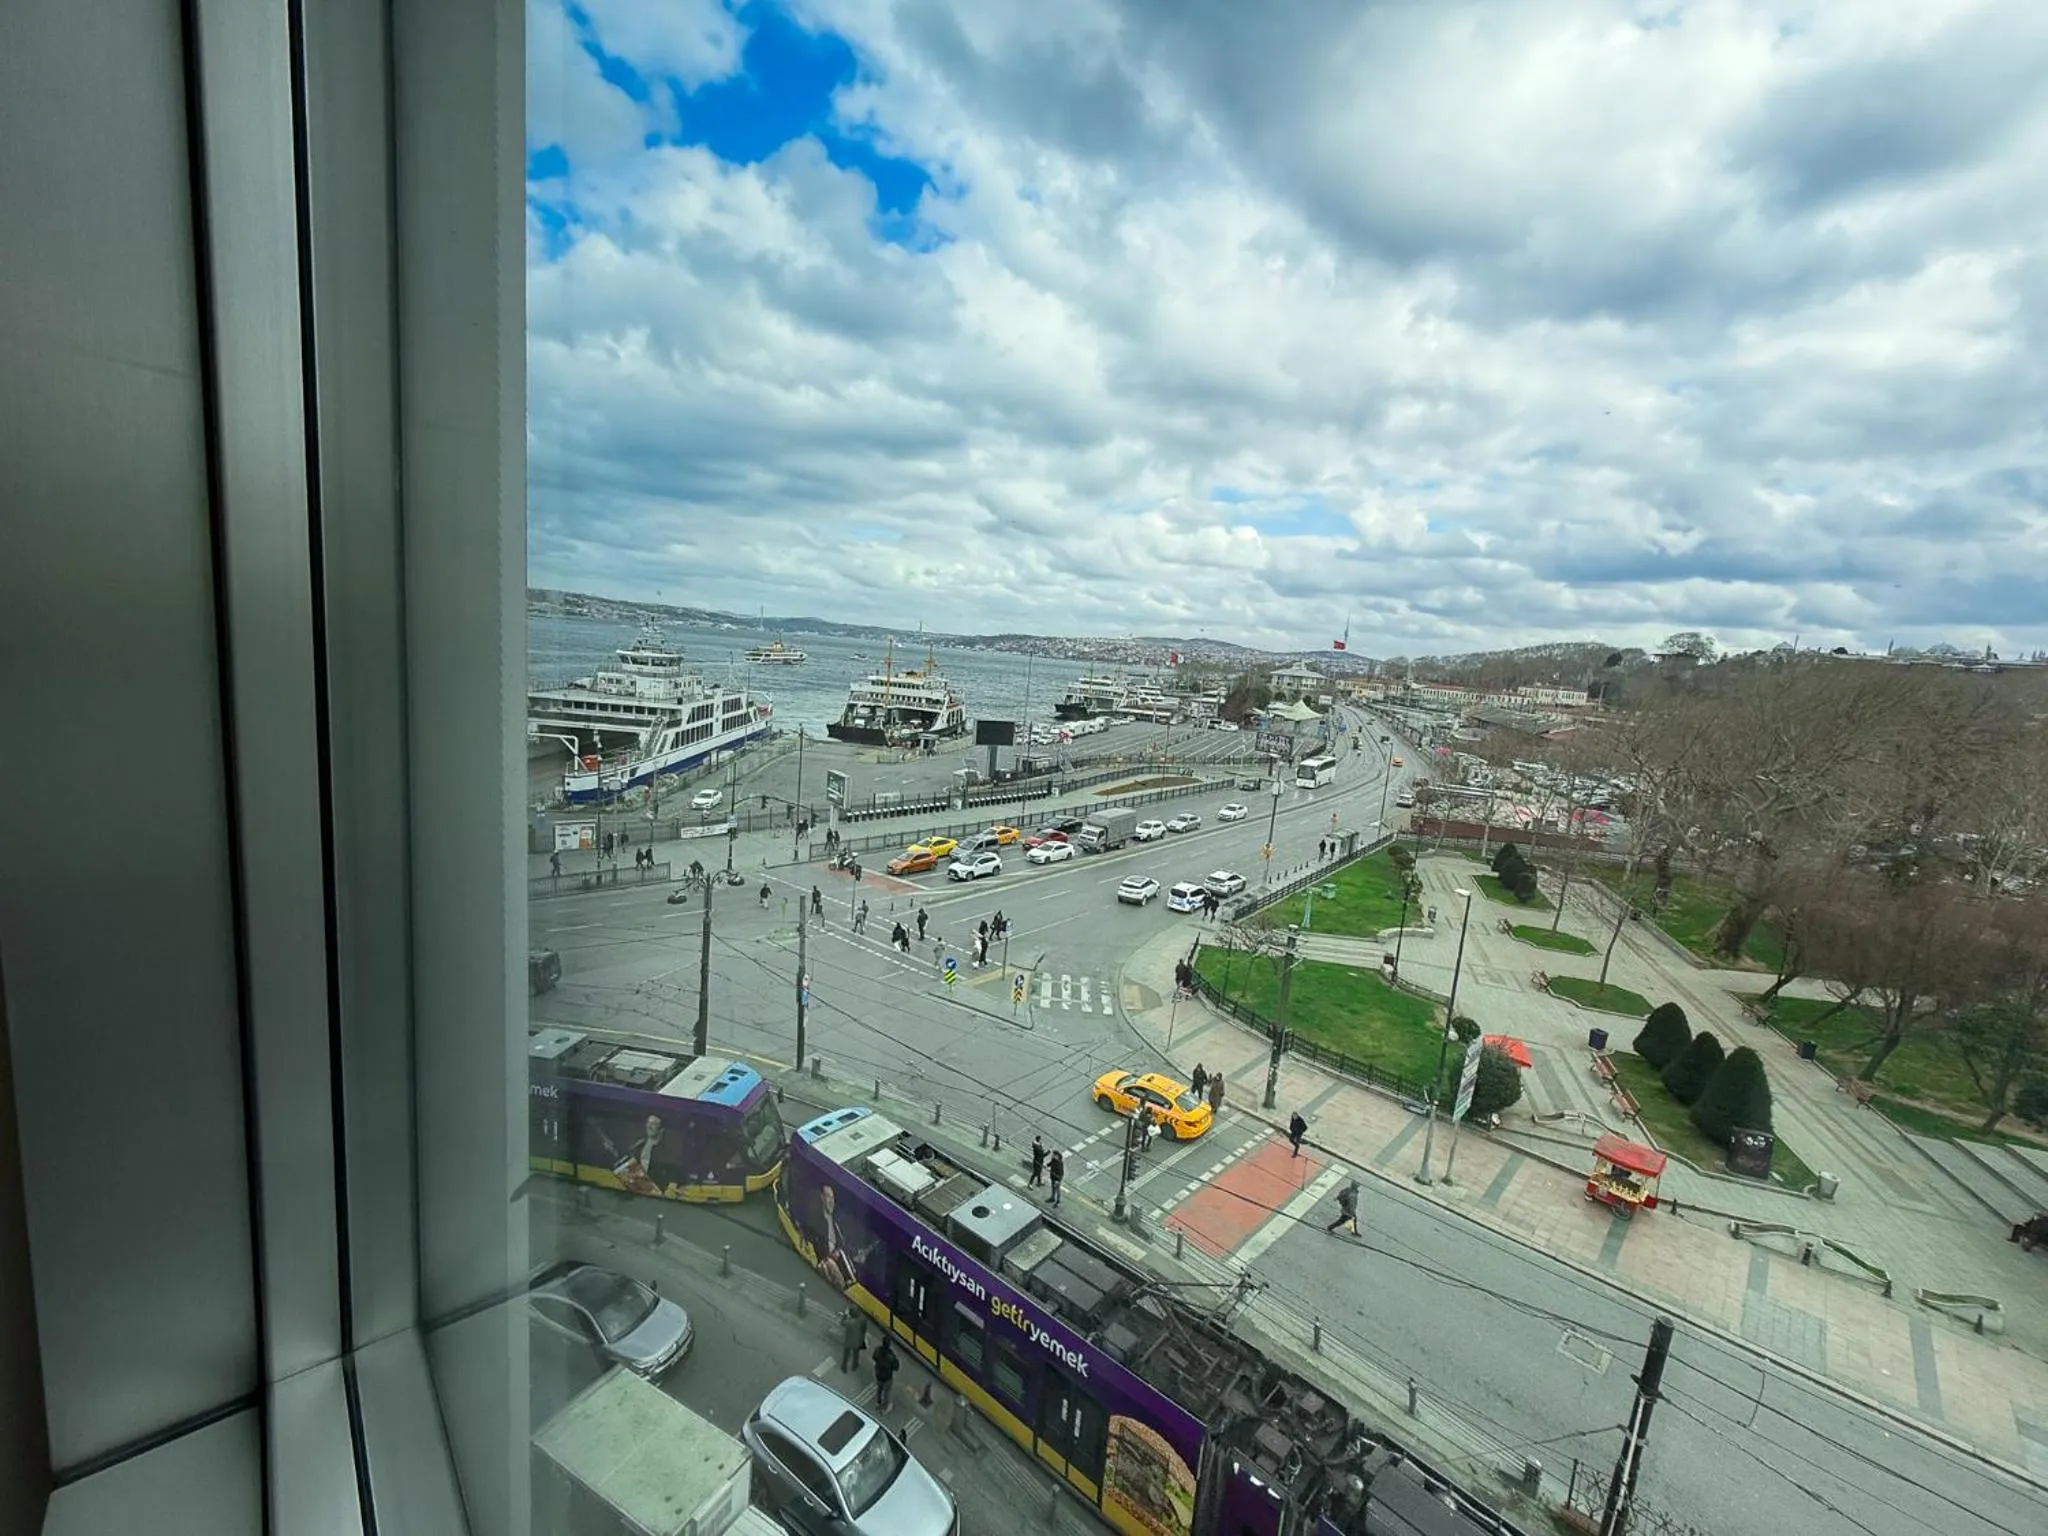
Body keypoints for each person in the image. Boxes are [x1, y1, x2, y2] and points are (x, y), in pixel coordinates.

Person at [872, 1335, 899, 1410]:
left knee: (879, 1389)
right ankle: (885, 1406)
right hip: (887, 1377)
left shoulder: (877, 1350)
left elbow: (874, 1357)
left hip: (878, 1374)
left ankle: (878, 1402)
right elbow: (896, 1367)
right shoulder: (891, 1356)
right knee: (886, 1392)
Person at [838, 1305, 866, 1374]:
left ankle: (844, 1366)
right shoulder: (861, 1321)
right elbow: (863, 1330)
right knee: (856, 1354)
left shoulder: (849, 1322)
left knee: (846, 1355)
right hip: (857, 1342)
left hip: (848, 1342)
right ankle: (854, 1366)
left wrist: (845, 1315)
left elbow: (841, 1323)